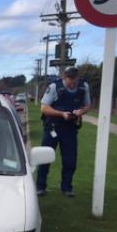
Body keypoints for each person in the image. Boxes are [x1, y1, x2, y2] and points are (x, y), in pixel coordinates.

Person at [37, 67, 91, 197]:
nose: (72, 85)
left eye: (75, 82)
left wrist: (80, 112)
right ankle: (40, 187)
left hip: (70, 129)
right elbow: (44, 108)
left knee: (70, 160)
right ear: (64, 78)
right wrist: (61, 114)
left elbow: (88, 105)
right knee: (45, 158)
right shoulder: (55, 87)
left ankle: (67, 187)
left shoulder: (84, 86)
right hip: (53, 127)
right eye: (69, 82)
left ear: (78, 78)